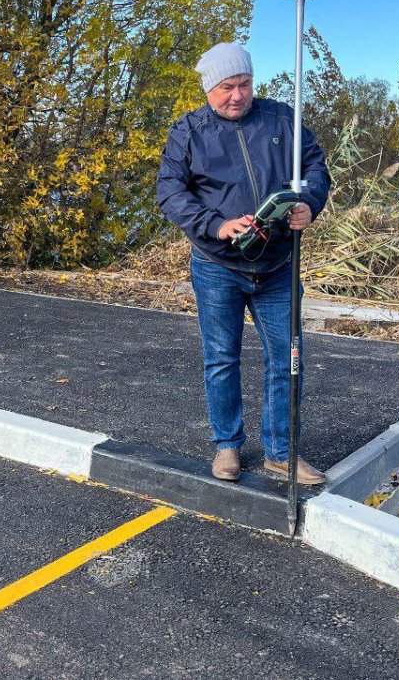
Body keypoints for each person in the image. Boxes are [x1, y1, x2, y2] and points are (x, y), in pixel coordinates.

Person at [157, 41, 332, 483]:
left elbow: (314, 167)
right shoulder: (188, 132)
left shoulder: (281, 119)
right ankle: (228, 447)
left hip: (278, 266)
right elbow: (171, 193)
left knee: (287, 357)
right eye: (226, 87)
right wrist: (214, 225)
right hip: (218, 266)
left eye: (245, 84)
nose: (237, 95)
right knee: (221, 358)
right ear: (208, 88)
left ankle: (280, 451)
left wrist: (309, 202)